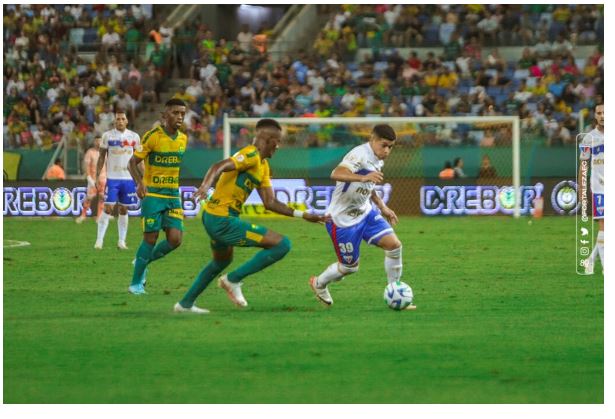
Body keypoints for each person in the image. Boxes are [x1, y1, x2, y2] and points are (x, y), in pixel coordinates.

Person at [175, 118, 327, 313]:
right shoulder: (250, 155)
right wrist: (205, 186)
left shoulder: (263, 165)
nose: (278, 147)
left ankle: (185, 304)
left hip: (216, 217)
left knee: (221, 261)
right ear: (268, 139)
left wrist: (303, 214)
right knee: (282, 244)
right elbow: (217, 166)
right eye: (277, 141)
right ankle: (233, 280)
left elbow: (270, 202)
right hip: (222, 219)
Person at [309, 124, 414, 309]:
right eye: (384, 145)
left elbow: (369, 186)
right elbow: (336, 173)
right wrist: (362, 177)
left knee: (394, 246)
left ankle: (395, 292)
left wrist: (382, 206)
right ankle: (319, 283)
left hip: (365, 213)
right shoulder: (359, 154)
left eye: (390, 147)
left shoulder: (377, 159)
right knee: (349, 267)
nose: (387, 151)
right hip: (342, 220)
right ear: (372, 139)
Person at [126, 99, 188, 295]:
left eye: (182, 113)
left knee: (175, 239)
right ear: (165, 115)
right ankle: (135, 284)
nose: (180, 117)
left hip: (173, 195)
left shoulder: (183, 139)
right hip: (153, 194)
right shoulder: (152, 136)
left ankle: (142, 261)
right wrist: (139, 183)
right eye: (175, 113)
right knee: (150, 239)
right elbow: (132, 162)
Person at [95, 110, 141, 250]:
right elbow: (101, 157)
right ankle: (99, 241)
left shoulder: (134, 137)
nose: (120, 121)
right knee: (108, 208)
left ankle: (121, 241)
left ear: (127, 121)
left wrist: (143, 179)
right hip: (112, 178)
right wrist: (97, 176)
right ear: (114, 121)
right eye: (118, 119)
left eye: (122, 119)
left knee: (123, 209)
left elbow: (140, 160)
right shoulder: (107, 136)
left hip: (128, 179)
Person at [579, 104, 604, 274]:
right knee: (604, 225)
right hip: (599, 187)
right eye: (599, 113)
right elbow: (583, 165)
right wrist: (582, 188)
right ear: (595, 115)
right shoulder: (589, 138)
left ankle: (590, 260)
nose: (602, 116)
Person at [76, 136, 105, 223]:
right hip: (93, 179)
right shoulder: (90, 152)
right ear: (94, 142)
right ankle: (83, 215)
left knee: (102, 197)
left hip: (103, 178)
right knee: (89, 198)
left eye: (100, 141)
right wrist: (89, 178)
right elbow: (87, 166)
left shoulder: (105, 152)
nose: (98, 143)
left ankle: (99, 216)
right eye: (97, 141)